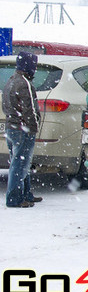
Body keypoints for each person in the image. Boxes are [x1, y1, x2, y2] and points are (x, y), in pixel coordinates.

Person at [2, 52, 43, 207]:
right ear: (28, 66)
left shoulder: (11, 81)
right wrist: (33, 127)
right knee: (20, 165)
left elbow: (5, 106)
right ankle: (14, 199)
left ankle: (26, 194)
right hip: (22, 129)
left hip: (11, 128)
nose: (35, 68)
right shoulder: (24, 83)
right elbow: (29, 110)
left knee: (18, 162)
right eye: (34, 65)